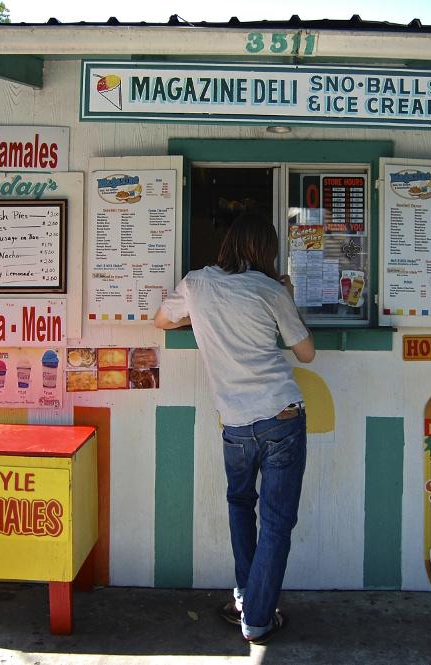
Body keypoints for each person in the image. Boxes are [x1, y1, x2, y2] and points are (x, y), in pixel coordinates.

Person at [154, 210, 315, 644]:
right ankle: (258, 618)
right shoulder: (269, 290)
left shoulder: (197, 284)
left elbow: (162, 320)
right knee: (277, 523)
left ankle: (246, 598)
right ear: (265, 250)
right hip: (281, 417)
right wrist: (288, 296)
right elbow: (306, 353)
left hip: (236, 425)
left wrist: (203, 317)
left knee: (241, 506)